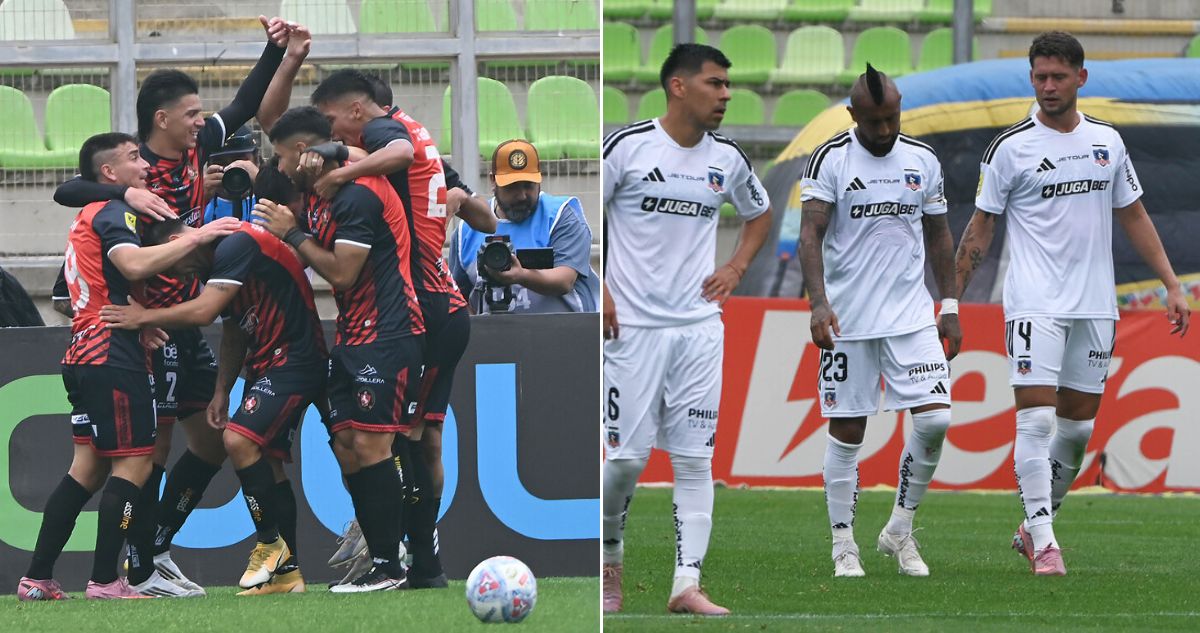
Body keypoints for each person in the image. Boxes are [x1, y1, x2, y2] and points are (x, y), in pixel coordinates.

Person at [49, 17, 307, 594]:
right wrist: (122, 190)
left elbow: (243, 103)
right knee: (150, 449)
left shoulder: (200, 146)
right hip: (150, 329)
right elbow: (68, 190)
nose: (202, 121)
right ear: (161, 120)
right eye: (191, 114)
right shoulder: (135, 166)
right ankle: (138, 568)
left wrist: (274, 49)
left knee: (211, 442)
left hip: (186, 322)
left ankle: (156, 546)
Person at [955, 31, 1189, 576]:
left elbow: (1133, 214)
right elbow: (980, 227)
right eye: (1039, 77)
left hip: (1094, 304)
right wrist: (951, 298)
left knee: (1077, 430)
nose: (1048, 86)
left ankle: (1032, 525)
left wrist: (1171, 284)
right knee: (1036, 421)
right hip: (1034, 300)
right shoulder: (1010, 147)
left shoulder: (1107, 142)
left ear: (1081, 78)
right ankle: (1046, 540)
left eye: (1058, 76)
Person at [17, 133, 239, 601]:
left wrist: (140, 325)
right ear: (110, 173)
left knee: (87, 469)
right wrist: (199, 235)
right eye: (134, 158)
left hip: (84, 351)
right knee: (135, 464)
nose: (144, 166)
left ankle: (37, 577)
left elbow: (105, 281)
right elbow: (131, 263)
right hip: (112, 358)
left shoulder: (92, 212)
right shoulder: (118, 212)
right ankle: (105, 581)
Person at [601, 44, 772, 615]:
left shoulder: (728, 159)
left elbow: (759, 214)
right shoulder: (626, 149)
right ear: (679, 87)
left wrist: (735, 267)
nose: (726, 95)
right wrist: (598, 286)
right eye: (715, 84)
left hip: (700, 327)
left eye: (728, 85)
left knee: (696, 461)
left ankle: (686, 585)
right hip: (633, 328)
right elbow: (584, 218)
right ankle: (608, 560)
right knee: (625, 460)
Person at [305, 68, 493, 588]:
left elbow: (400, 156)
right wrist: (456, 199)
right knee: (420, 439)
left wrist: (341, 170)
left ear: (360, 110)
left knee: (404, 438)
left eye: (332, 123)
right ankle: (417, 558)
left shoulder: (389, 137)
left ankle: (399, 556)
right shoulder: (416, 134)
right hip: (438, 305)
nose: (332, 138)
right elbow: (488, 221)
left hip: (422, 307)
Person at [99, 217, 327, 596]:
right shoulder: (219, 262)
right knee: (266, 461)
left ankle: (271, 543)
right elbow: (234, 329)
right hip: (269, 360)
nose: (178, 274)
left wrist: (143, 318)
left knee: (238, 441)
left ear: (178, 242)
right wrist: (222, 390)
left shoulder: (233, 245)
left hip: (295, 358)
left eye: (172, 266)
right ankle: (287, 575)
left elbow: (204, 312)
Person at [252, 106, 425, 592]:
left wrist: (293, 234)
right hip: (354, 336)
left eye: (284, 158)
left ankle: (392, 565)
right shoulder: (322, 193)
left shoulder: (358, 195)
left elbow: (343, 273)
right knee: (348, 447)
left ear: (307, 154)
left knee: (371, 444)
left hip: (389, 335)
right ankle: (381, 563)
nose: (280, 168)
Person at [798, 64, 960, 578]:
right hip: (849, 321)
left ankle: (899, 529)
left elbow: (939, 235)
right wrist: (818, 304)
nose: (885, 130)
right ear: (853, 116)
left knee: (935, 419)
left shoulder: (922, 159)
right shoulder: (830, 159)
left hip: (911, 316)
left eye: (892, 118)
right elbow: (810, 235)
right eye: (874, 122)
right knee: (848, 435)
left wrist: (950, 305)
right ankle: (843, 544)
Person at [449, 139, 599, 315]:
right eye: (512, 187)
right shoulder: (466, 230)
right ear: (493, 181)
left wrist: (521, 276)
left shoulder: (560, 216)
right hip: (495, 337)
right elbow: (457, 297)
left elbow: (565, 280)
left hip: (564, 334)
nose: (521, 196)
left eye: (528, 186)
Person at [202, 126, 261, 223]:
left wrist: (261, 182)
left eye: (239, 160)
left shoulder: (272, 201)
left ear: (256, 160)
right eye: (221, 162)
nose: (231, 168)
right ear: (209, 166)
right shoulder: (201, 205)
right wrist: (199, 198)